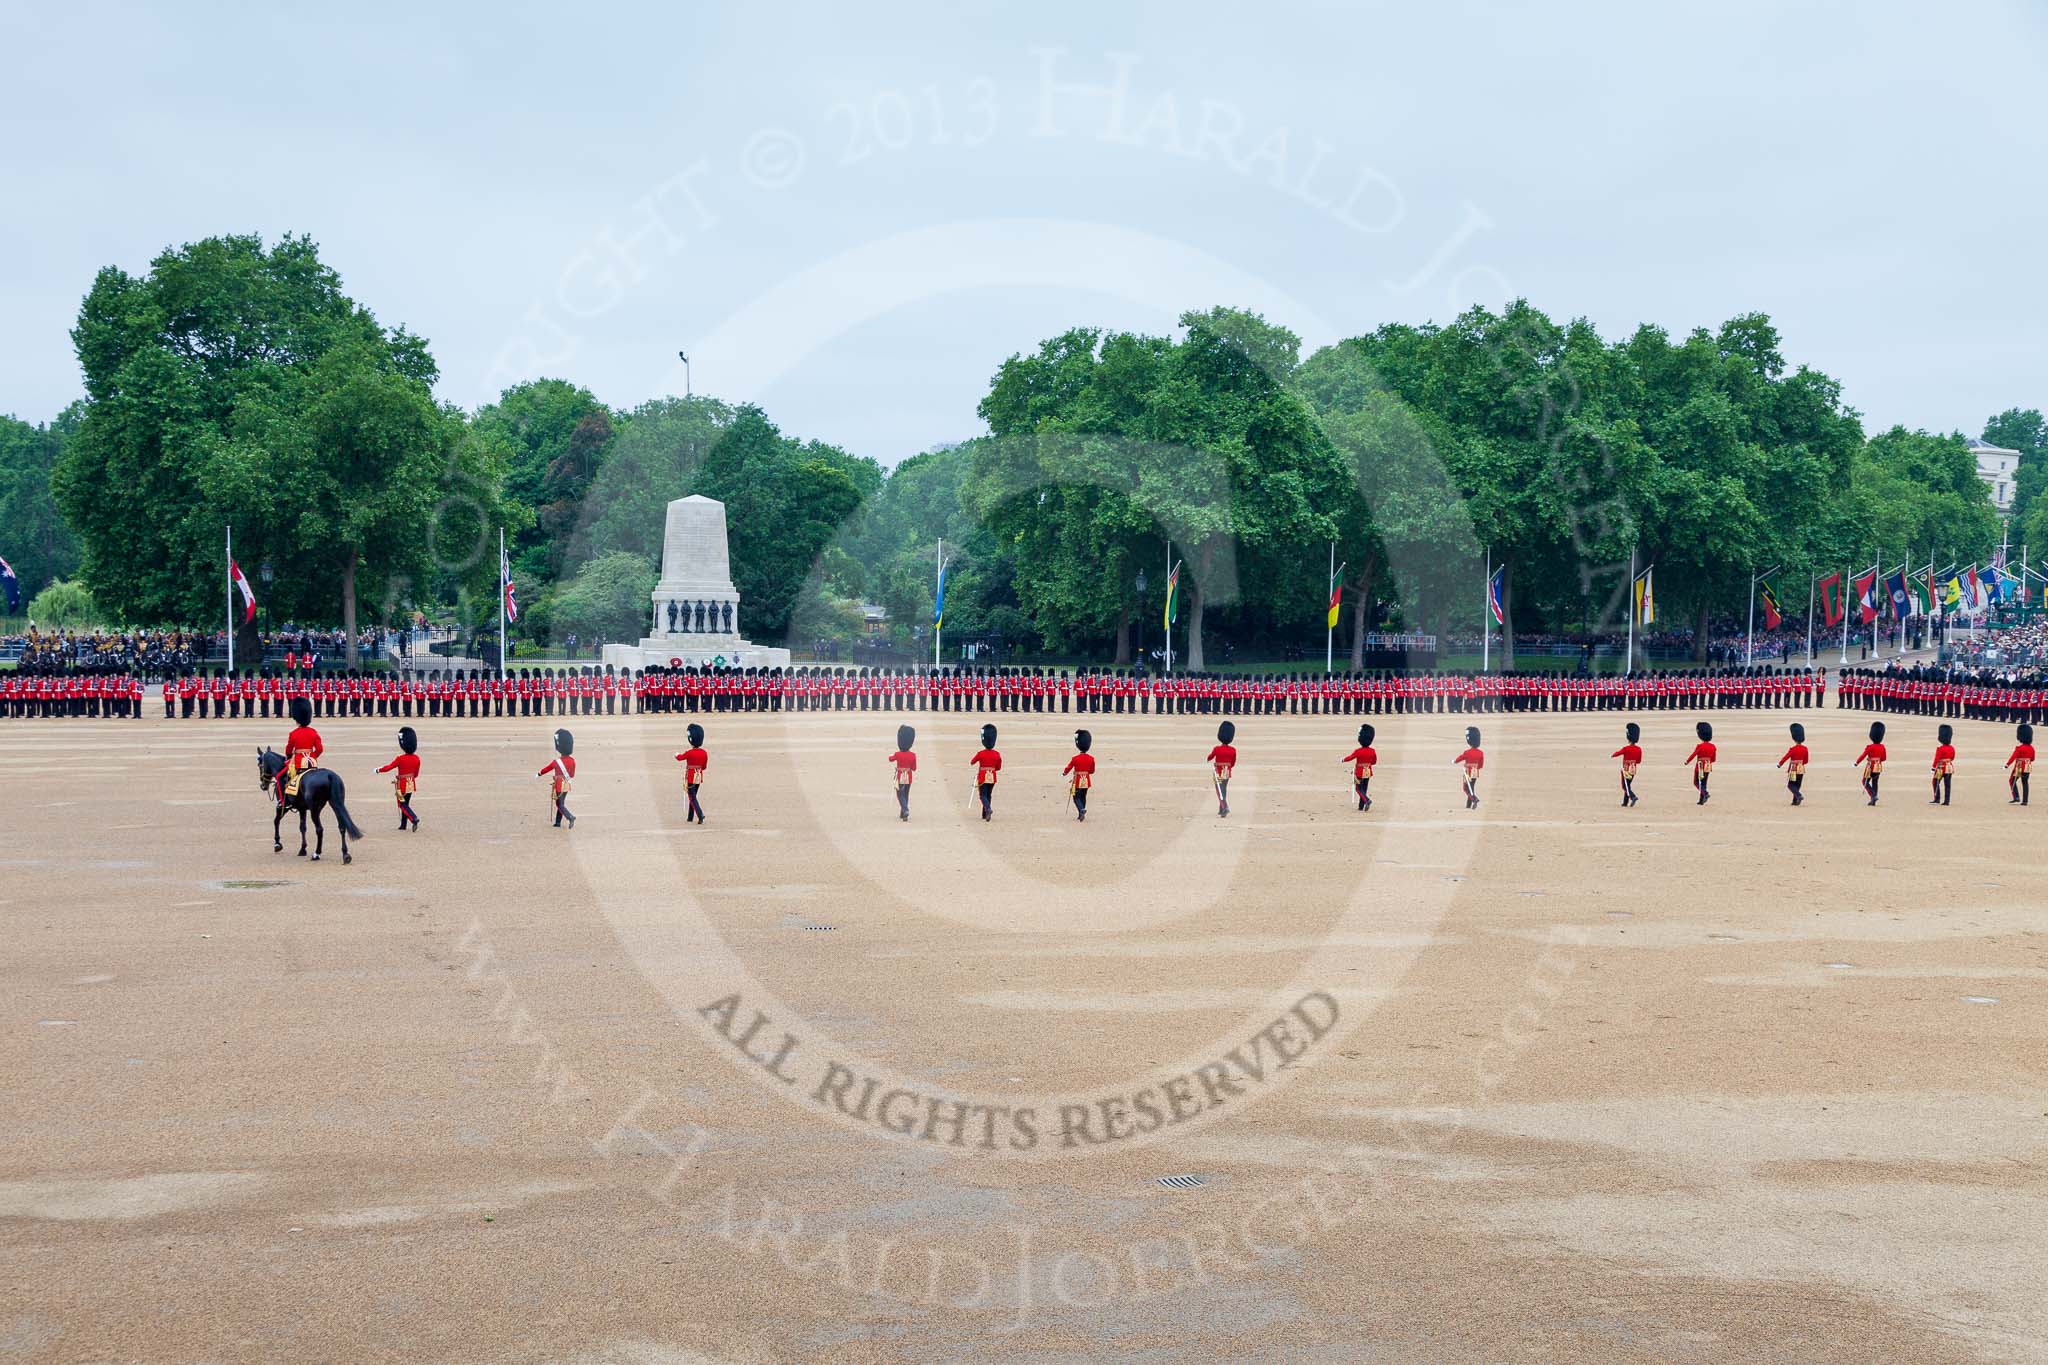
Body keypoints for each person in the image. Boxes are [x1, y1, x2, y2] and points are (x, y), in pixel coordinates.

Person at [377, 726, 422, 830]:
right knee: (406, 804)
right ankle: (403, 825)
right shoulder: (416, 758)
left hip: (401, 785)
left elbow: (389, 767)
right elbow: (416, 774)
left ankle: (414, 818)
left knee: (401, 804)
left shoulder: (400, 758)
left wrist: (378, 770)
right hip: (411, 782)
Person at [283, 695, 323, 802]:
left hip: (298, 762)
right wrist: (312, 756)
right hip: (312, 762)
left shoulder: (293, 733)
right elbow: (319, 749)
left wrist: (289, 756)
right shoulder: (313, 732)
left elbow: (288, 749)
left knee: (288, 777)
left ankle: (287, 800)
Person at [541, 729, 576, 828]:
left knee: (559, 804)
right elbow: (572, 775)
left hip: (559, 784)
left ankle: (570, 817)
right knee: (561, 803)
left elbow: (546, 769)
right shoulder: (572, 761)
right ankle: (557, 823)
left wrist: (539, 774)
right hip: (567, 784)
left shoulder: (557, 762)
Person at [676, 723, 708, 825]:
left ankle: (700, 814)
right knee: (693, 797)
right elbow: (704, 766)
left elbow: (680, 758)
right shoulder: (704, 752)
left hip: (690, 777)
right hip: (698, 776)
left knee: (692, 797)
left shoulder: (690, 752)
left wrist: (676, 754)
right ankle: (690, 817)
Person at [969, 723, 1002, 822]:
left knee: (982, 795)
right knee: (988, 795)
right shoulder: (997, 754)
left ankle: (987, 809)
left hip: (983, 776)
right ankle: (984, 815)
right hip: (992, 775)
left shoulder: (981, 753)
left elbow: (972, 762)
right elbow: (998, 767)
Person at [1342, 723, 1377, 812]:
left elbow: (1350, 757)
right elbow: (1374, 762)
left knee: (1358, 788)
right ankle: (1361, 806)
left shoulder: (1358, 751)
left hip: (1359, 772)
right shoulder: (1372, 751)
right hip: (1368, 771)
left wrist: (1343, 760)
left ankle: (1367, 800)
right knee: (1364, 788)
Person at [1063, 729, 1095, 821]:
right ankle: (1081, 813)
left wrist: (1064, 773)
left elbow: (1069, 767)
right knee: (1083, 796)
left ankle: (1081, 810)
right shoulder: (1091, 758)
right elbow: (1092, 771)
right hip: (1086, 779)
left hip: (1077, 779)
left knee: (1075, 796)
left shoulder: (1075, 758)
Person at [1208, 721, 1237, 818]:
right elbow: (1233, 762)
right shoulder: (1233, 750)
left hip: (1218, 769)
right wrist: (1229, 767)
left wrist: (1208, 758)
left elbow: (1211, 757)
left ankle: (1225, 807)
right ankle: (1221, 808)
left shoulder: (1217, 749)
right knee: (1223, 789)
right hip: (1227, 769)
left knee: (1219, 790)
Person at [1682, 721, 1716, 805]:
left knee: (1697, 782)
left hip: (1701, 764)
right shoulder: (1713, 746)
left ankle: (1705, 794)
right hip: (1708, 764)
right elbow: (1714, 759)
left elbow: (1693, 755)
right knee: (1704, 782)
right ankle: (1701, 800)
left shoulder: (1700, 746)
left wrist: (1687, 761)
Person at [888, 725, 917, 821]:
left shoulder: (898, 754)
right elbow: (914, 768)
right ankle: (903, 813)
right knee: (906, 794)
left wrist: (892, 754)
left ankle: (905, 810)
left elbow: (890, 759)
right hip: (908, 776)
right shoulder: (913, 755)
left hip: (900, 775)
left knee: (900, 794)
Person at [1777, 721, 1808, 806]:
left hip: (1794, 767)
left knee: (1790, 784)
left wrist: (1779, 764)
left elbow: (1786, 757)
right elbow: (1806, 761)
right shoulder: (1805, 748)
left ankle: (1798, 795)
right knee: (1797, 784)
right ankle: (1795, 801)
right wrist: (1801, 763)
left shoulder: (1793, 749)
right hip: (1801, 767)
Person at [1855, 722, 1887, 806]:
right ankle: (1873, 800)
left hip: (1870, 766)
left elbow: (1863, 755)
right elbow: (1884, 758)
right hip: (1878, 766)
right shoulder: (1882, 747)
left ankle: (1873, 795)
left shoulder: (1870, 747)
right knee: (1875, 782)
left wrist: (1856, 763)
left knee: (1864, 781)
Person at [1612, 722, 1642, 808]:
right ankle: (1625, 802)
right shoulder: (1639, 749)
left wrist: (1612, 755)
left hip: (1626, 769)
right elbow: (1639, 761)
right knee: (1628, 784)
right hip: (1633, 769)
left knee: (1624, 786)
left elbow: (1618, 753)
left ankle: (1633, 797)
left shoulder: (1626, 748)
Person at [1455, 726, 1484, 810]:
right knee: (1471, 787)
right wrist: (1475, 767)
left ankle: (1474, 799)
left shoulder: (1467, 752)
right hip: (1475, 770)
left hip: (1468, 770)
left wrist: (1455, 761)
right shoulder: (1480, 753)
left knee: (1465, 788)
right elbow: (1481, 765)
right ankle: (1468, 805)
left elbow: (1460, 758)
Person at [2006, 723, 2033, 806]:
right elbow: (2033, 758)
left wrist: (2007, 765)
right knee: (2025, 782)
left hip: (2020, 766)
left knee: (2012, 780)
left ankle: (2016, 797)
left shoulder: (2019, 748)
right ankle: (2025, 801)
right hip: (2028, 765)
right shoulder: (2031, 748)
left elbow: (2013, 757)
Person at [1930, 723, 1956, 806]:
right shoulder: (1952, 748)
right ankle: (1947, 801)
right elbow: (1952, 758)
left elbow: (1937, 759)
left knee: (1935, 782)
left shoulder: (1940, 749)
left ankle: (1937, 799)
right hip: (1949, 767)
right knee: (1947, 785)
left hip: (1941, 768)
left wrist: (1934, 768)